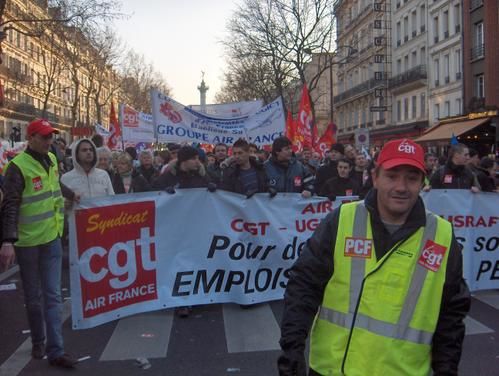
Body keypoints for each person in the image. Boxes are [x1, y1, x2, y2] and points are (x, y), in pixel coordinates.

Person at [278, 138, 470, 376]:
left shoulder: (442, 236)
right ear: (375, 177)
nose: (401, 186)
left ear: (423, 182)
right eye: (392, 175)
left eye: (411, 178)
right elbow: (304, 286)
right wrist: (292, 349)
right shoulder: (342, 220)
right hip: (332, 369)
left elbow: (451, 315)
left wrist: (446, 370)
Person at [0, 119, 79, 368]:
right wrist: (8, 241)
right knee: (34, 297)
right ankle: (38, 339)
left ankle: (56, 351)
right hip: (28, 242)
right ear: (31, 137)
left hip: (51, 237)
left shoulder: (52, 160)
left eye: (51, 137)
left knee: (53, 295)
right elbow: (10, 205)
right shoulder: (16, 167)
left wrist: (70, 195)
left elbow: (54, 185)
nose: (49, 141)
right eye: (44, 137)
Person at [151, 145, 214, 318]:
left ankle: (194, 296)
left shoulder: (201, 174)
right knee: (179, 264)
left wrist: (213, 188)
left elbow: (212, 191)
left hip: (196, 226)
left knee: (195, 262)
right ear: (184, 161)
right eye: (194, 158)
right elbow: (152, 193)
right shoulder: (168, 176)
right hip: (175, 228)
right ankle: (181, 301)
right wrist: (164, 192)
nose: (197, 161)